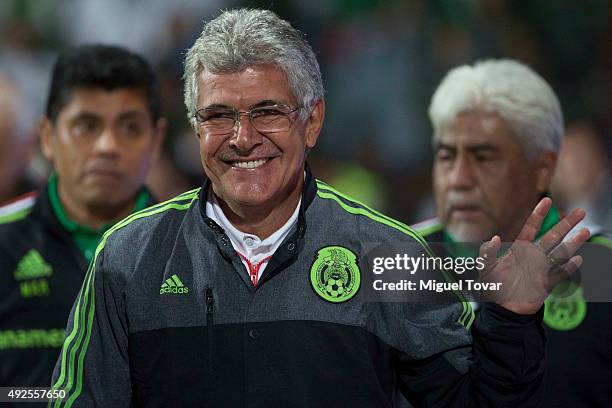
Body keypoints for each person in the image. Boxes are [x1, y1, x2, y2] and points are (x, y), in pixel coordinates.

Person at [51, 10, 587, 407]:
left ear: (312, 122)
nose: (242, 138)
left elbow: (475, 403)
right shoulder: (128, 257)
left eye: (267, 112)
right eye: (218, 116)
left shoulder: (390, 255)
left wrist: (511, 323)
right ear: (196, 130)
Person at [412, 59, 612, 406]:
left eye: (484, 157)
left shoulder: (601, 267)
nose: (458, 179)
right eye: (446, 156)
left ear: (542, 169)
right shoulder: (401, 258)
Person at [0, 44, 165, 389]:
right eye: (86, 126)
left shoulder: (199, 246)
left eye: (130, 127)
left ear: (156, 139)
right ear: (47, 137)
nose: (107, 146)